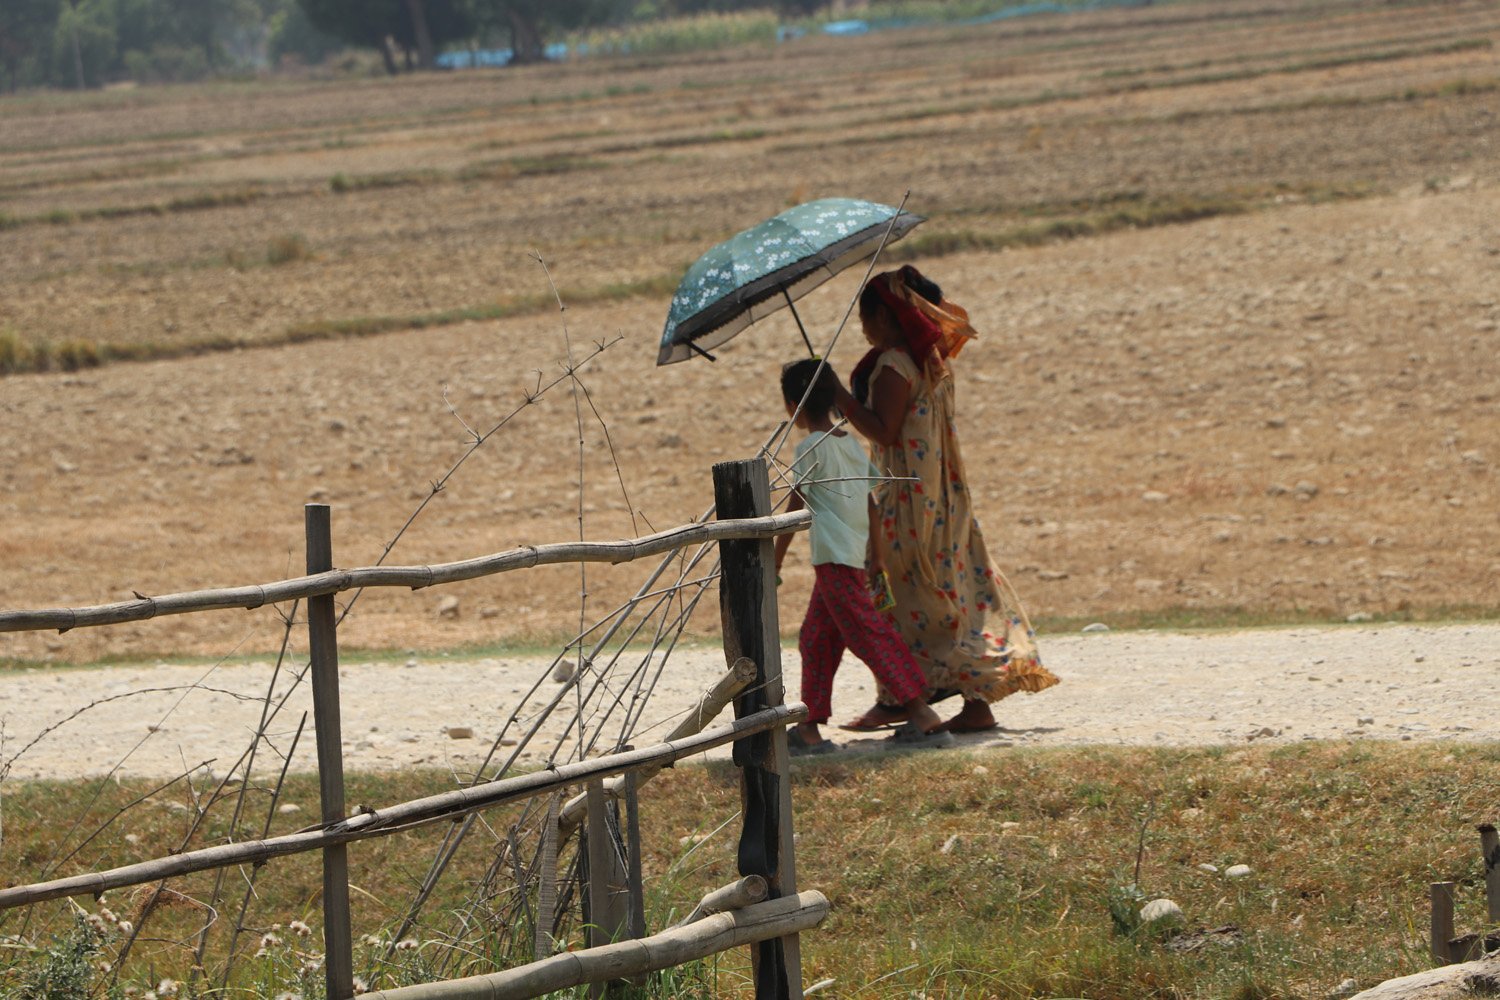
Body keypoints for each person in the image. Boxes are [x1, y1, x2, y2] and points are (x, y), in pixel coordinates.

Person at [829, 266, 1059, 733]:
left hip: (907, 499)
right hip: (941, 495)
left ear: (890, 318)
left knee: (899, 595)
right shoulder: (931, 359)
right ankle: (961, 703)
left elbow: (884, 430)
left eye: (867, 315)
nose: (862, 325)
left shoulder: (895, 364)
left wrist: (837, 394)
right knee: (951, 590)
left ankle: (903, 696)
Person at [773, 358, 954, 753]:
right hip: (849, 558)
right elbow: (871, 502)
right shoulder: (849, 444)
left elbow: (795, 505)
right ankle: (809, 728)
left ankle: (922, 714)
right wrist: (879, 556)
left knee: (868, 634)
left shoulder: (808, 448)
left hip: (835, 561)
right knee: (816, 639)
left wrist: (776, 557)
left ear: (794, 406)